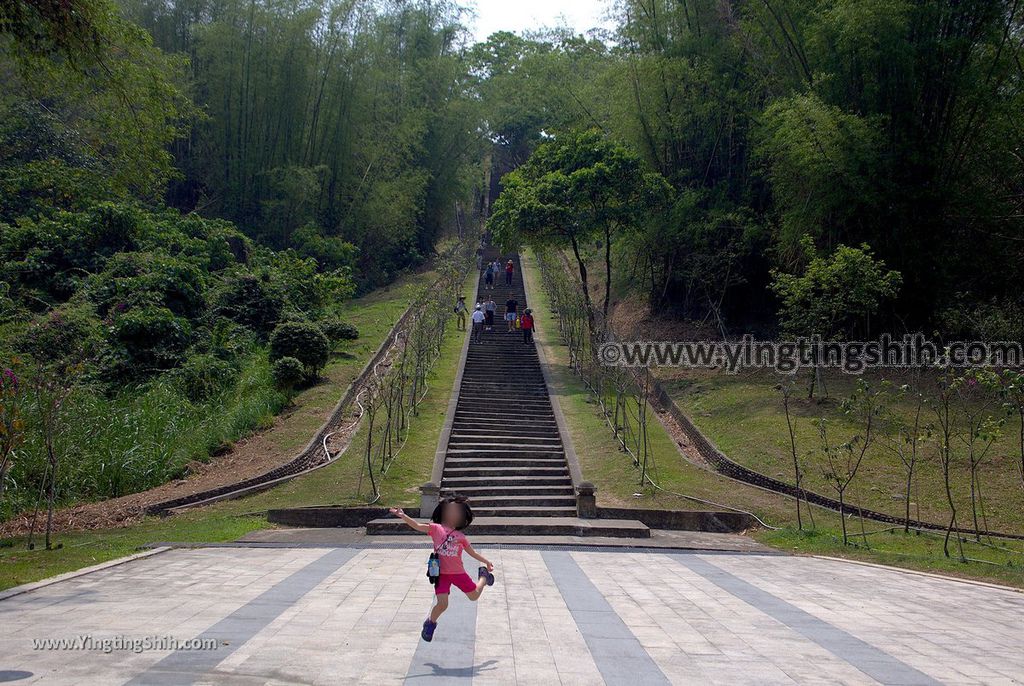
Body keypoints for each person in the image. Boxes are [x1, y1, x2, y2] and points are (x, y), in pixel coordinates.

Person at [389, 497, 495, 643]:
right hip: (441, 575)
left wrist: (486, 561)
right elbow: (418, 526)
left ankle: (483, 576)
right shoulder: (436, 528)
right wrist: (403, 516)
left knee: (474, 596)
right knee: (442, 604)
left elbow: (472, 552)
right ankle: (430, 623)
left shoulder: (461, 537)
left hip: (458, 573)